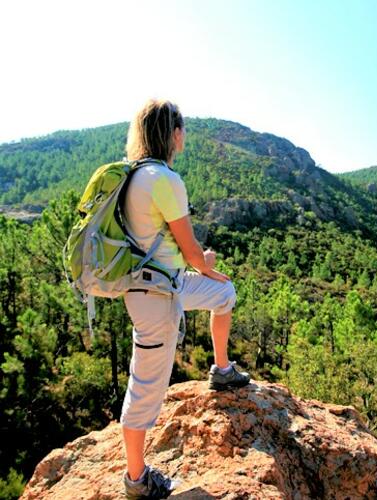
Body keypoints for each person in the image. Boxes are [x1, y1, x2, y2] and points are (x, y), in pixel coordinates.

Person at [120, 99, 251, 499]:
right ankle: (136, 480)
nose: (185, 136)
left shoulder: (136, 176)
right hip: (156, 295)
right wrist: (207, 262)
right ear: (173, 134)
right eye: (183, 129)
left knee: (223, 293)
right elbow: (193, 252)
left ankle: (221, 369)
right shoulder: (165, 179)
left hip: (162, 283)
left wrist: (208, 274)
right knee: (146, 384)